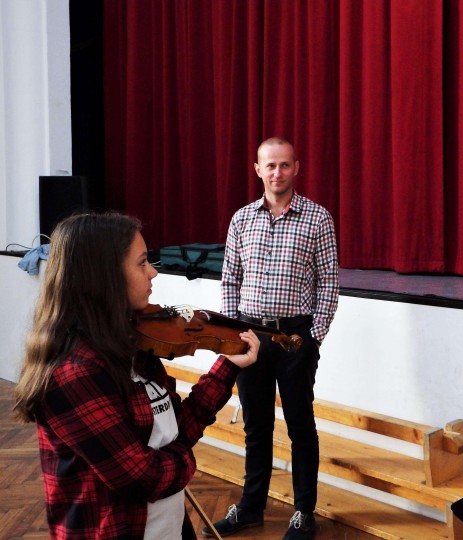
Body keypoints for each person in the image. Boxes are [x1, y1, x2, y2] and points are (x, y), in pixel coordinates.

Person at [13, 212, 260, 540]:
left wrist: (228, 365)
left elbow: (176, 429)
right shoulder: (74, 374)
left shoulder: (134, 346)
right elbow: (143, 479)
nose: (153, 272)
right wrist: (186, 461)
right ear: (103, 276)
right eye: (142, 263)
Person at [209, 137, 339, 539]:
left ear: (296, 168)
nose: (277, 172)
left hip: (295, 339)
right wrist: (232, 334)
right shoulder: (241, 219)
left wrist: (313, 337)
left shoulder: (317, 218)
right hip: (250, 336)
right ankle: (251, 508)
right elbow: (230, 279)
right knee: (256, 425)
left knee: (300, 425)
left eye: (284, 165)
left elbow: (329, 283)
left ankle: (304, 512)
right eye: (270, 165)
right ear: (258, 170)